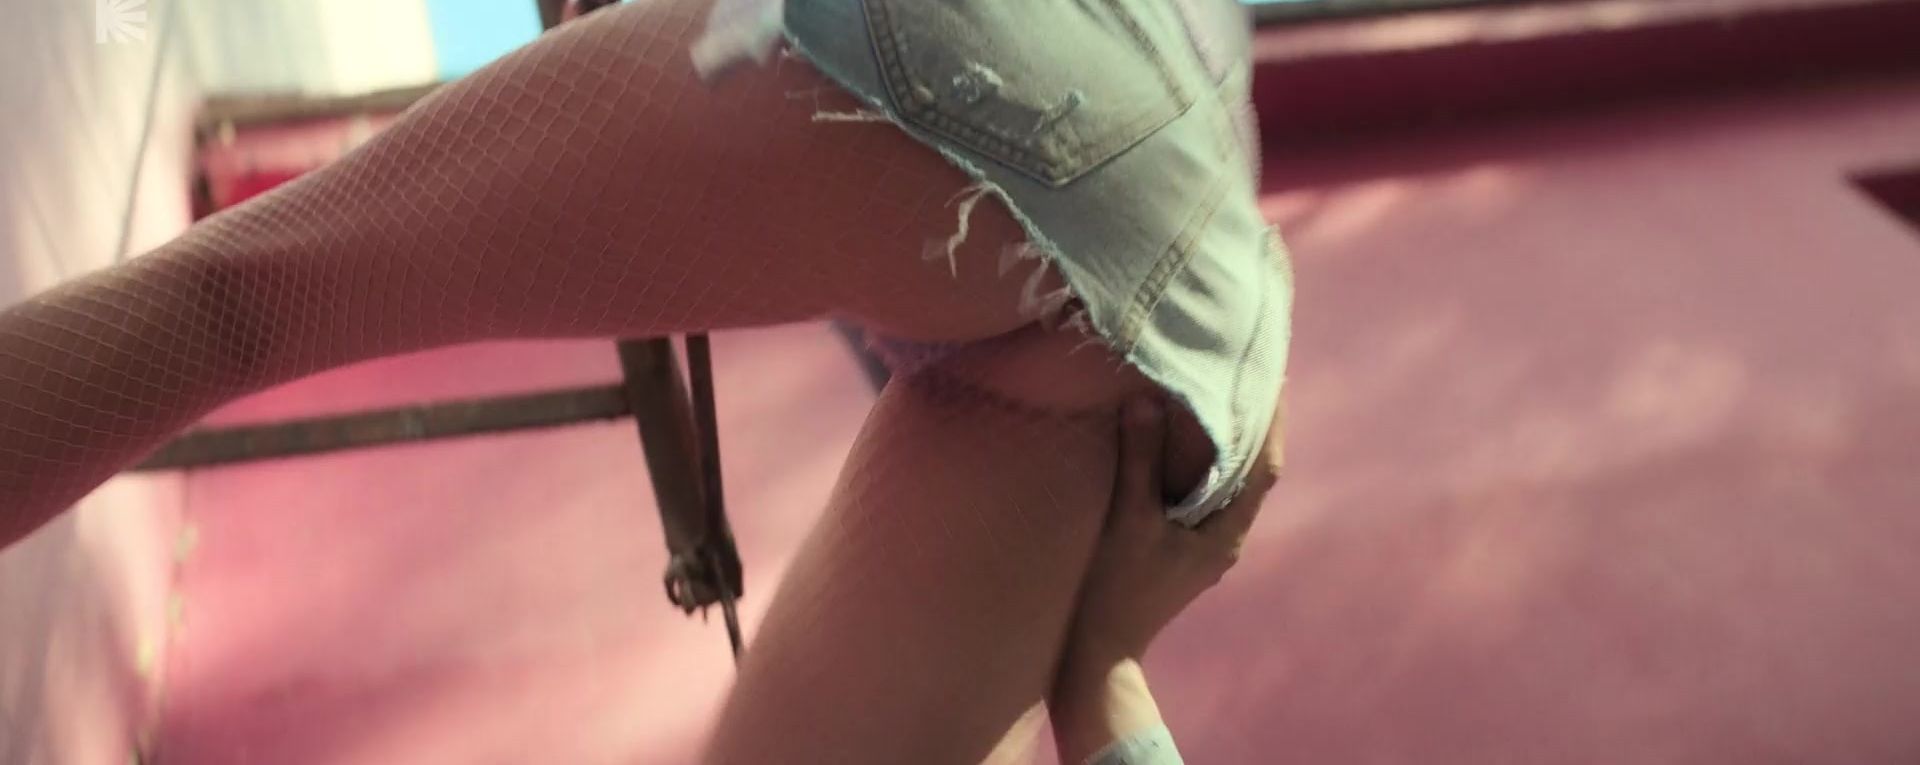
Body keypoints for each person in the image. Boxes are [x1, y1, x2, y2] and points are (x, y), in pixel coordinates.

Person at [0, 0, 1291, 761]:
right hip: (1179, 376)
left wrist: (1108, 671)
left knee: (244, 304)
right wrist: (1104, 668)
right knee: (242, 308)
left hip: (1157, 200)